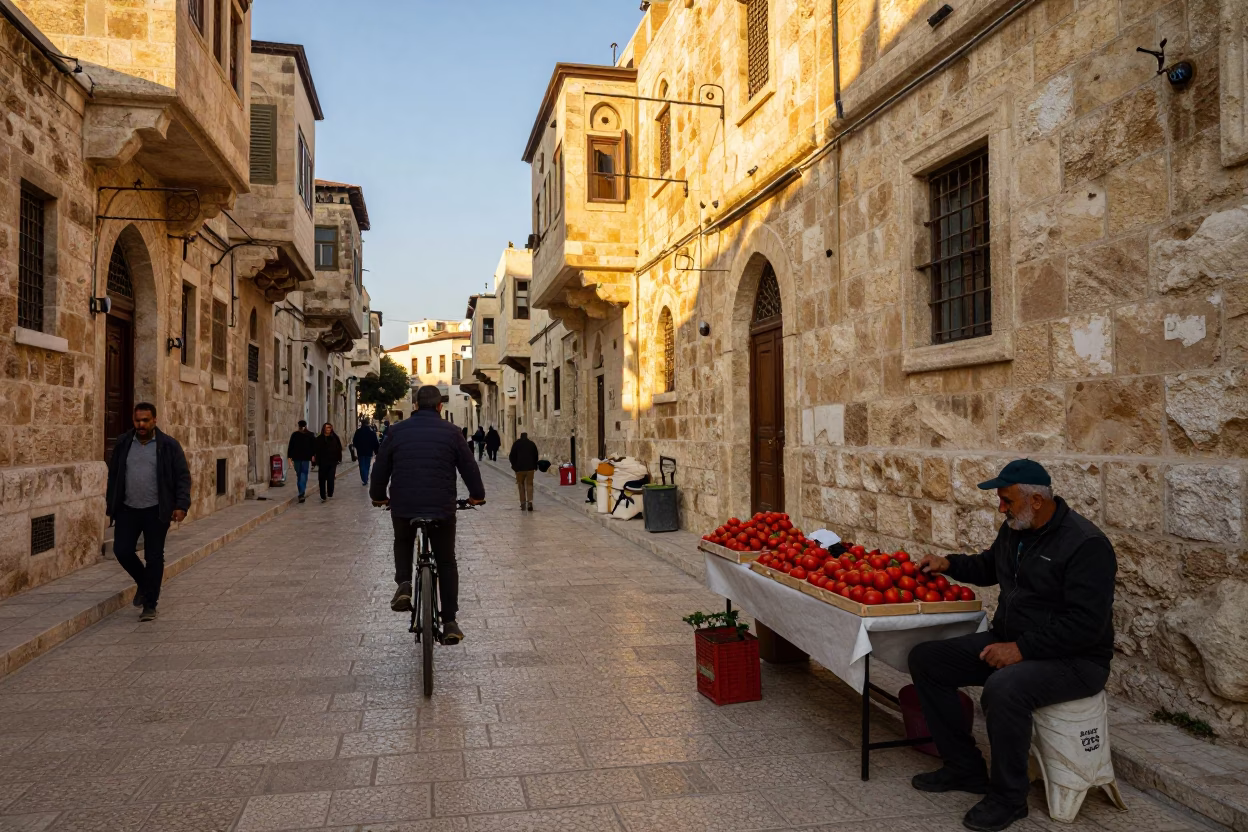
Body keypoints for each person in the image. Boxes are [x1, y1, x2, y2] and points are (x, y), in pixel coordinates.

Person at [907, 459, 1117, 832]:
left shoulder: (1086, 544)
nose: (1000, 508)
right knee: (927, 660)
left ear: (1035, 500)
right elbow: (990, 567)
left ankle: (1009, 797)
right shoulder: (1017, 529)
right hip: (1013, 641)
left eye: (1006, 501)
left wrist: (1022, 650)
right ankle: (964, 768)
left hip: (1076, 660)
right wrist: (948, 563)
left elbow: (1086, 625)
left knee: (1005, 689)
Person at [370, 385, 485, 645]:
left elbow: (380, 469)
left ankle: (404, 584)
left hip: (404, 503)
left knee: (403, 540)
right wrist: (476, 495)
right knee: (446, 560)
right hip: (441, 506)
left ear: (415, 405)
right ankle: (450, 621)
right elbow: (470, 468)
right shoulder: (453, 433)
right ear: (440, 407)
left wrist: (378, 496)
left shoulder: (396, 431)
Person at [106, 402, 191, 622]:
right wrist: (111, 504)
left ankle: (150, 604)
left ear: (154, 420)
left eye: (145, 420)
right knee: (122, 550)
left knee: (154, 557)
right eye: (137, 420)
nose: (141, 424)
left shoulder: (169, 446)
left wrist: (181, 505)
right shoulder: (124, 443)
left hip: (157, 510)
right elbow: (114, 475)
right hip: (127, 509)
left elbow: (182, 477)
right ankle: (145, 583)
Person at [312, 422, 343, 502]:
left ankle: (330, 492)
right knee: (322, 479)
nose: (328, 429)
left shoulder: (335, 438)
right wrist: (314, 461)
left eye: (329, 427)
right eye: (326, 427)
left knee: (330, 478)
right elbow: (315, 450)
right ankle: (323, 495)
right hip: (322, 461)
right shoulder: (319, 439)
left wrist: (339, 458)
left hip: (332, 461)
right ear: (324, 429)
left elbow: (339, 448)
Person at [508, 432, 538, 512]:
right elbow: (536, 456)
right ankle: (530, 502)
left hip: (519, 469)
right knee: (529, 485)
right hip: (530, 468)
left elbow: (511, 456)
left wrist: (514, 466)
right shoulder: (532, 444)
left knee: (521, 486)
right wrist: (535, 466)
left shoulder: (516, 444)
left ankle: (523, 503)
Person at [286, 420, 315, 503]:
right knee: (299, 474)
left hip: (306, 458)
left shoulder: (310, 435)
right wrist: (289, 457)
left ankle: (301, 493)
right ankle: (301, 490)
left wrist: (313, 456)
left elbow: (313, 446)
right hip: (297, 458)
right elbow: (291, 446)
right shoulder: (295, 435)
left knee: (303, 474)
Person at [352, 419, 381, 486]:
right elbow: (375, 442)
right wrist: (376, 451)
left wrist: (357, 447)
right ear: (368, 424)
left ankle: (364, 479)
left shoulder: (358, 431)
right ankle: (366, 478)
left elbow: (354, 441)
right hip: (369, 451)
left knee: (362, 465)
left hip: (360, 451)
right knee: (367, 465)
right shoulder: (371, 432)